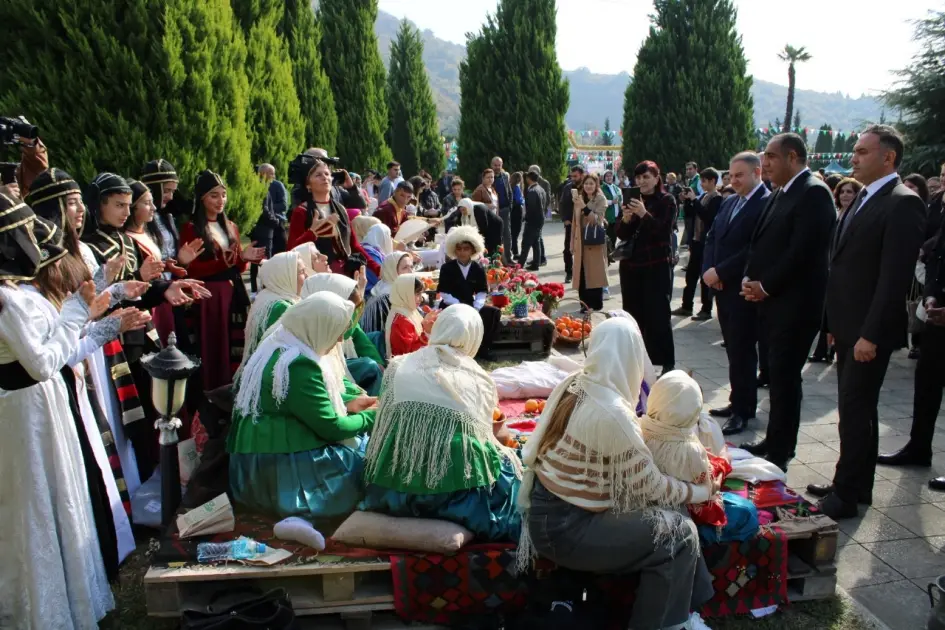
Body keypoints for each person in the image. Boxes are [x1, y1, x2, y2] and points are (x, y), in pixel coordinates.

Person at [517, 318, 717, 630]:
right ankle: (667, 623)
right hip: (567, 529)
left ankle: (686, 611)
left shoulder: (576, 383)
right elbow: (652, 486)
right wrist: (704, 492)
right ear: (632, 356)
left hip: (555, 514)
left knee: (674, 512)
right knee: (679, 534)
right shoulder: (612, 412)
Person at [0, 195, 115, 628]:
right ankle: (38, 611)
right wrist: (74, 313)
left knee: (62, 496)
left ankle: (71, 597)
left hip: (44, 405)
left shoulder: (17, 291)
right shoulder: (6, 300)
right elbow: (43, 362)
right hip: (25, 411)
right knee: (35, 505)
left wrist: (86, 317)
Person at [808, 126, 926, 519]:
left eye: (861, 151)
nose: (853, 157)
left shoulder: (902, 202)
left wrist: (871, 334)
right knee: (856, 410)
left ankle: (845, 493)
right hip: (847, 325)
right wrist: (832, 321)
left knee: (857, 410)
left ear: (888, 157)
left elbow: (894, 278)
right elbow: (842, 266)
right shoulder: (863, 197)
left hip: (867, 331)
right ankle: (857, 486)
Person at [362, 304, 523, 541]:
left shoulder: (397, 365)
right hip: (452, 491)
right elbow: (486, 437)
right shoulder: (478, 378)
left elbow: (384, 424)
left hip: (395, 483)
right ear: (473, 337)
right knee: (510, 469)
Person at [229, 292, 376, 523]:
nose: (339, 340)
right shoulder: (297, 364)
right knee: (368, 465)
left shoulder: (280, 341)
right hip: (283, 469)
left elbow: (293, 404)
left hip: (256, 464)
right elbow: (333, 428)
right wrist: (372, 416)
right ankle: (299, 519)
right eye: (336, 332)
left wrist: (349, 403)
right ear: (318, 326)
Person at [739, 133, 837, 471]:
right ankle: (774, 437)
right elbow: (762, 242)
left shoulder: (814, 193)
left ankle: (782, 449)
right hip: (771, 303)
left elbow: (804, 252)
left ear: (792, 157)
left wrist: (766, 285)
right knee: (775, 376)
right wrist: (750, 279)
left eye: (770, 156)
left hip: (795, 306)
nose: (764, 163)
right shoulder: (782, 192)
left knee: (785, 378)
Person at [702, 152, 769, 436]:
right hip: (721, 287)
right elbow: (713, 237)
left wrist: (722, 271)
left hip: (742, 287)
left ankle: (743, 409)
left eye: (740, 175)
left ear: (757, 173)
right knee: (732, 347)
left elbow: (755, 248)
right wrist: (708, 270)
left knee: (743, 349)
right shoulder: (730, 202)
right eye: (731, 174)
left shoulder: (766, 203)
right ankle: (735, 400)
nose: (734, 180)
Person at [179, 170, 266, 390]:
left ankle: (235, 386)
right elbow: (193, 269)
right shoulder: (192, 229)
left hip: (233, 292)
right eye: (214, 196)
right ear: (202, 199)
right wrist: (225, 263)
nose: (221, 201)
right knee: (213, 344)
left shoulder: (232, 227)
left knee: (234, 343)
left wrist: (244, 259)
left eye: (223, 195)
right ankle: (212, 391)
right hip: (209, 296)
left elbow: (237, 265)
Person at [617, 161, 678, 373]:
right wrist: (625, 219)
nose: (642, 181)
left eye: (646, 177)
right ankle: (637, 359)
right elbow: (621, 234)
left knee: (658, 315)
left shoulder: (667, 200)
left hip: (656, 266)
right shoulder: (633, 199)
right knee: (633, 314)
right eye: (639, 177)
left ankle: (666, 362)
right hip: (631, 266)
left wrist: (644, 213)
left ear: (656, 177)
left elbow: (663, 232)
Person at [286, 158, 380, 277]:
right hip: (316, 276)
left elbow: (354, 245)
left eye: (327, 174)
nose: (324, 177)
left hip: (345, 273)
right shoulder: (302, 212)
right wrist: (311, 233)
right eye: (318, 175)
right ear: (308, 185)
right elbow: (291, 251)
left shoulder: (340, 209)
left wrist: (377, 268)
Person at [302, 272, 385, 396]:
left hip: (341, 365)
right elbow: (345, 335)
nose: (352, 313)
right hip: (321, 379)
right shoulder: (309, 325)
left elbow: (361, 340)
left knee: (378, 341)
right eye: (349, 308)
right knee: (370, 366)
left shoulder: (338, 314)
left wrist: (381, 364)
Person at [810, 177, 865, 364]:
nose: (845, 195)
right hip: (829, 269)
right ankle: (822, 349)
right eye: (842, 191)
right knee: (826, 314)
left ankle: (831, 348)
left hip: (845, 275)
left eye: (850, 191)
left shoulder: (859, 215)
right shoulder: (836, 213)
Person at [438, 226, 500, 360]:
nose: (462, 252)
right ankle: (453, 349)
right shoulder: (447, 268)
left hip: (471, 305)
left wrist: (476, 308)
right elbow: (444, 293)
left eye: (466, 249)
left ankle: (483, 348)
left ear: (473, 250)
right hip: (451, 305)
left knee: (493, 313)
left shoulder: (478, 268)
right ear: (454, 250)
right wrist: (459, 306)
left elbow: (482, 291)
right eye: (459, 249)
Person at [238, 251, 305, 368]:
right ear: (286, 276)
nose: (307, 276)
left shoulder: (267, 295)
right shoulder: (282, 307)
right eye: (302, 272)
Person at [675, 168, 722, 320]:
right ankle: (686, 306)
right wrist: (688, 201)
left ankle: (706, 308)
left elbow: (708, 217)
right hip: (696, 241)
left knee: (704, 277)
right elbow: (691, 215)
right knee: (691, 275)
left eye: (704, 181)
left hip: (706, 242)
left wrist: (694, 200)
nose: (702, 184)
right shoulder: (703, 196)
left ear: (712, 181)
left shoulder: (716, 198)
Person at [570, 173, 609, 312]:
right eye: (586, 183)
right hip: (580, 241)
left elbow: (597, 220)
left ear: (596, 185)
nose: (588, 186)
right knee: (581, 273)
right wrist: (571, 243)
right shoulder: (579, 198)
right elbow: (575, 222)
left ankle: (595, 304)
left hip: (594, 241)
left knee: (594, 273)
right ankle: (584, 304)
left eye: (591, 183)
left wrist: (584, 207)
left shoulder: (601, 199)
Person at [249, 163, 289, 293]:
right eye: (271, 173)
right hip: (260, 226)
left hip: (276, 223)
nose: (273, 176)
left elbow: (283, 205)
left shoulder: (277, 185)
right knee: (257, 257)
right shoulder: (255, 186)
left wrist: (272, 216)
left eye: (273, 173)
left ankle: (277, 283)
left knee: (278, 254)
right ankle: (256, 288)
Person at [361, 251, 414, 334]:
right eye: (405, 268)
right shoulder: (389, 295)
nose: (411, 272)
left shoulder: (385, 285)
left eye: (411, 267)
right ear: (392, 270)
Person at [385, 274, 435, 358]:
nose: (421, 299)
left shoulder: (408, 310)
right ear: (405, 293)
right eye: (417, 294)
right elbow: (409, 354)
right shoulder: (402, 321)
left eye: (421, 294)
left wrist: (426, 324)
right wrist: (426, 332)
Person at [559, 165, 586, 283]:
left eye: (576, 176)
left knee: (585, 248)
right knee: (568, 249)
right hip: (571, 222)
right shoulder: (568, 187)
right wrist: (565, 219)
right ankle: (569, 272)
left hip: (585, 222)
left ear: (582, 175)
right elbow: (562, 204)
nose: (573, 178)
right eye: (572, 176)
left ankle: (583, 272)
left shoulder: (587, 186)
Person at [518, 171, 547, 270]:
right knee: (536, 242)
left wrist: (525, 218)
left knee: (526, 243)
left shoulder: (532, 191)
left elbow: (531, 208)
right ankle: (536, 264)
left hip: (533, 221)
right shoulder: (541, 189)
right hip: (539, 219)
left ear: (528, 179)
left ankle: (519, 265)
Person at [489, 157, 515, 265]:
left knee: (507, 235)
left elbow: (509, 191)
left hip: (505, 210)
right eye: (495, 165)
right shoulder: (488, 176)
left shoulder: (505, 176)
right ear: (491, 165)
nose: (497, 167)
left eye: (499, 165)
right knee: (495, 235)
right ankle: (496, 260)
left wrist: (510, 205)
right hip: (493, 212)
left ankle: (508, 259)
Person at [360, 222, 393, 295]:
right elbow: (381, 279)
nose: (391, 239)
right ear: (382, 237)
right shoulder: (371, 254)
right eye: (389, 235)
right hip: (370, 294)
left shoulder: (369, 249)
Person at [601, 170, 623, 259]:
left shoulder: (617, 188)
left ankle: (612, 254)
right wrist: (611, 202)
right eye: (607, 176)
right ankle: (607, 255)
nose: (609, 178)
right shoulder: (601, 188)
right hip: (607, 217)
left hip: (617, 217)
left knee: (614, 237)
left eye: (610, 176)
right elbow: (600, 201)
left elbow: (621, 200)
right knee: (608, 237)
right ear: (604, 178)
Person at [509, 171, 525, 259]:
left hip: (513, 211)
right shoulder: (516, 188)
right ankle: (515, 252)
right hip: (517, 210)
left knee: (513, 232)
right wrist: (523, 201)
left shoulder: (511, 187)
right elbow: (519, 200)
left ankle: (513, 250)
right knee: (516, 232)